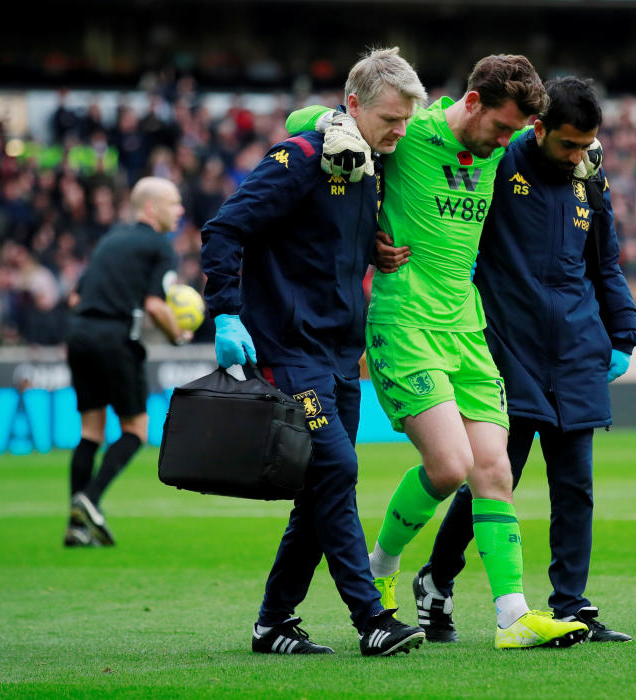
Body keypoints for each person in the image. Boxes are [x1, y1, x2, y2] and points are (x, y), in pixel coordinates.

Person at [286, 56, 603, 650]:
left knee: (495, 471)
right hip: (404, 324)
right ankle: (383, 565)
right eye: (502, 128)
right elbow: (297, 118)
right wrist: (333, 123)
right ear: (475, 103)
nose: (506, 143)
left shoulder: (497, 149)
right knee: (452, 466)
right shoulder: (408, 134)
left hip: (466, 328)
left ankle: (513, 617)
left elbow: (549, 150)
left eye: (516, 134)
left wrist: (586, 150)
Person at [377, 77, 636, 643]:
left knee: (576, 483)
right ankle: (437, 580)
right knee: (493, 474)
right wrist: (376, 235)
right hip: (506, 345)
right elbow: (441, 215)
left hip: (574, 348)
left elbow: (606, 261)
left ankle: (571, 605)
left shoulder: (588, 178)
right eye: (569, 144)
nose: (579, 156)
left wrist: (623, 331)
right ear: (538, 129)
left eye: (587, 146)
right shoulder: (497, 161)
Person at [200, 48, 428, 658]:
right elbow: (225, 228)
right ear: (352, 105)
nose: (400, 132)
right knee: (337, 470)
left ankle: (272, 624)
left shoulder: (367, 165)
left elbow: (321, 242)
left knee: (318, 488)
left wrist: (371, 252)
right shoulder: (300, 157)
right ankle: (371, 620)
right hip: (289, 348)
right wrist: (224, 310)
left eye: (407, 121)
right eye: (390, 119)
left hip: (338, 354)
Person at [65, 176, 189, 547]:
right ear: (151, 208)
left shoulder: (110, 241)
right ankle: (89, 499)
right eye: (173, 203)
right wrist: (176, 335)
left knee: (91, 431)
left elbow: (74, 298)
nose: (180, 210)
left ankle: (76, 527)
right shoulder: (160, 247)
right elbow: (154, 305)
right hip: (115, 338)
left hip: (80, 334)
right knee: (135, 430)